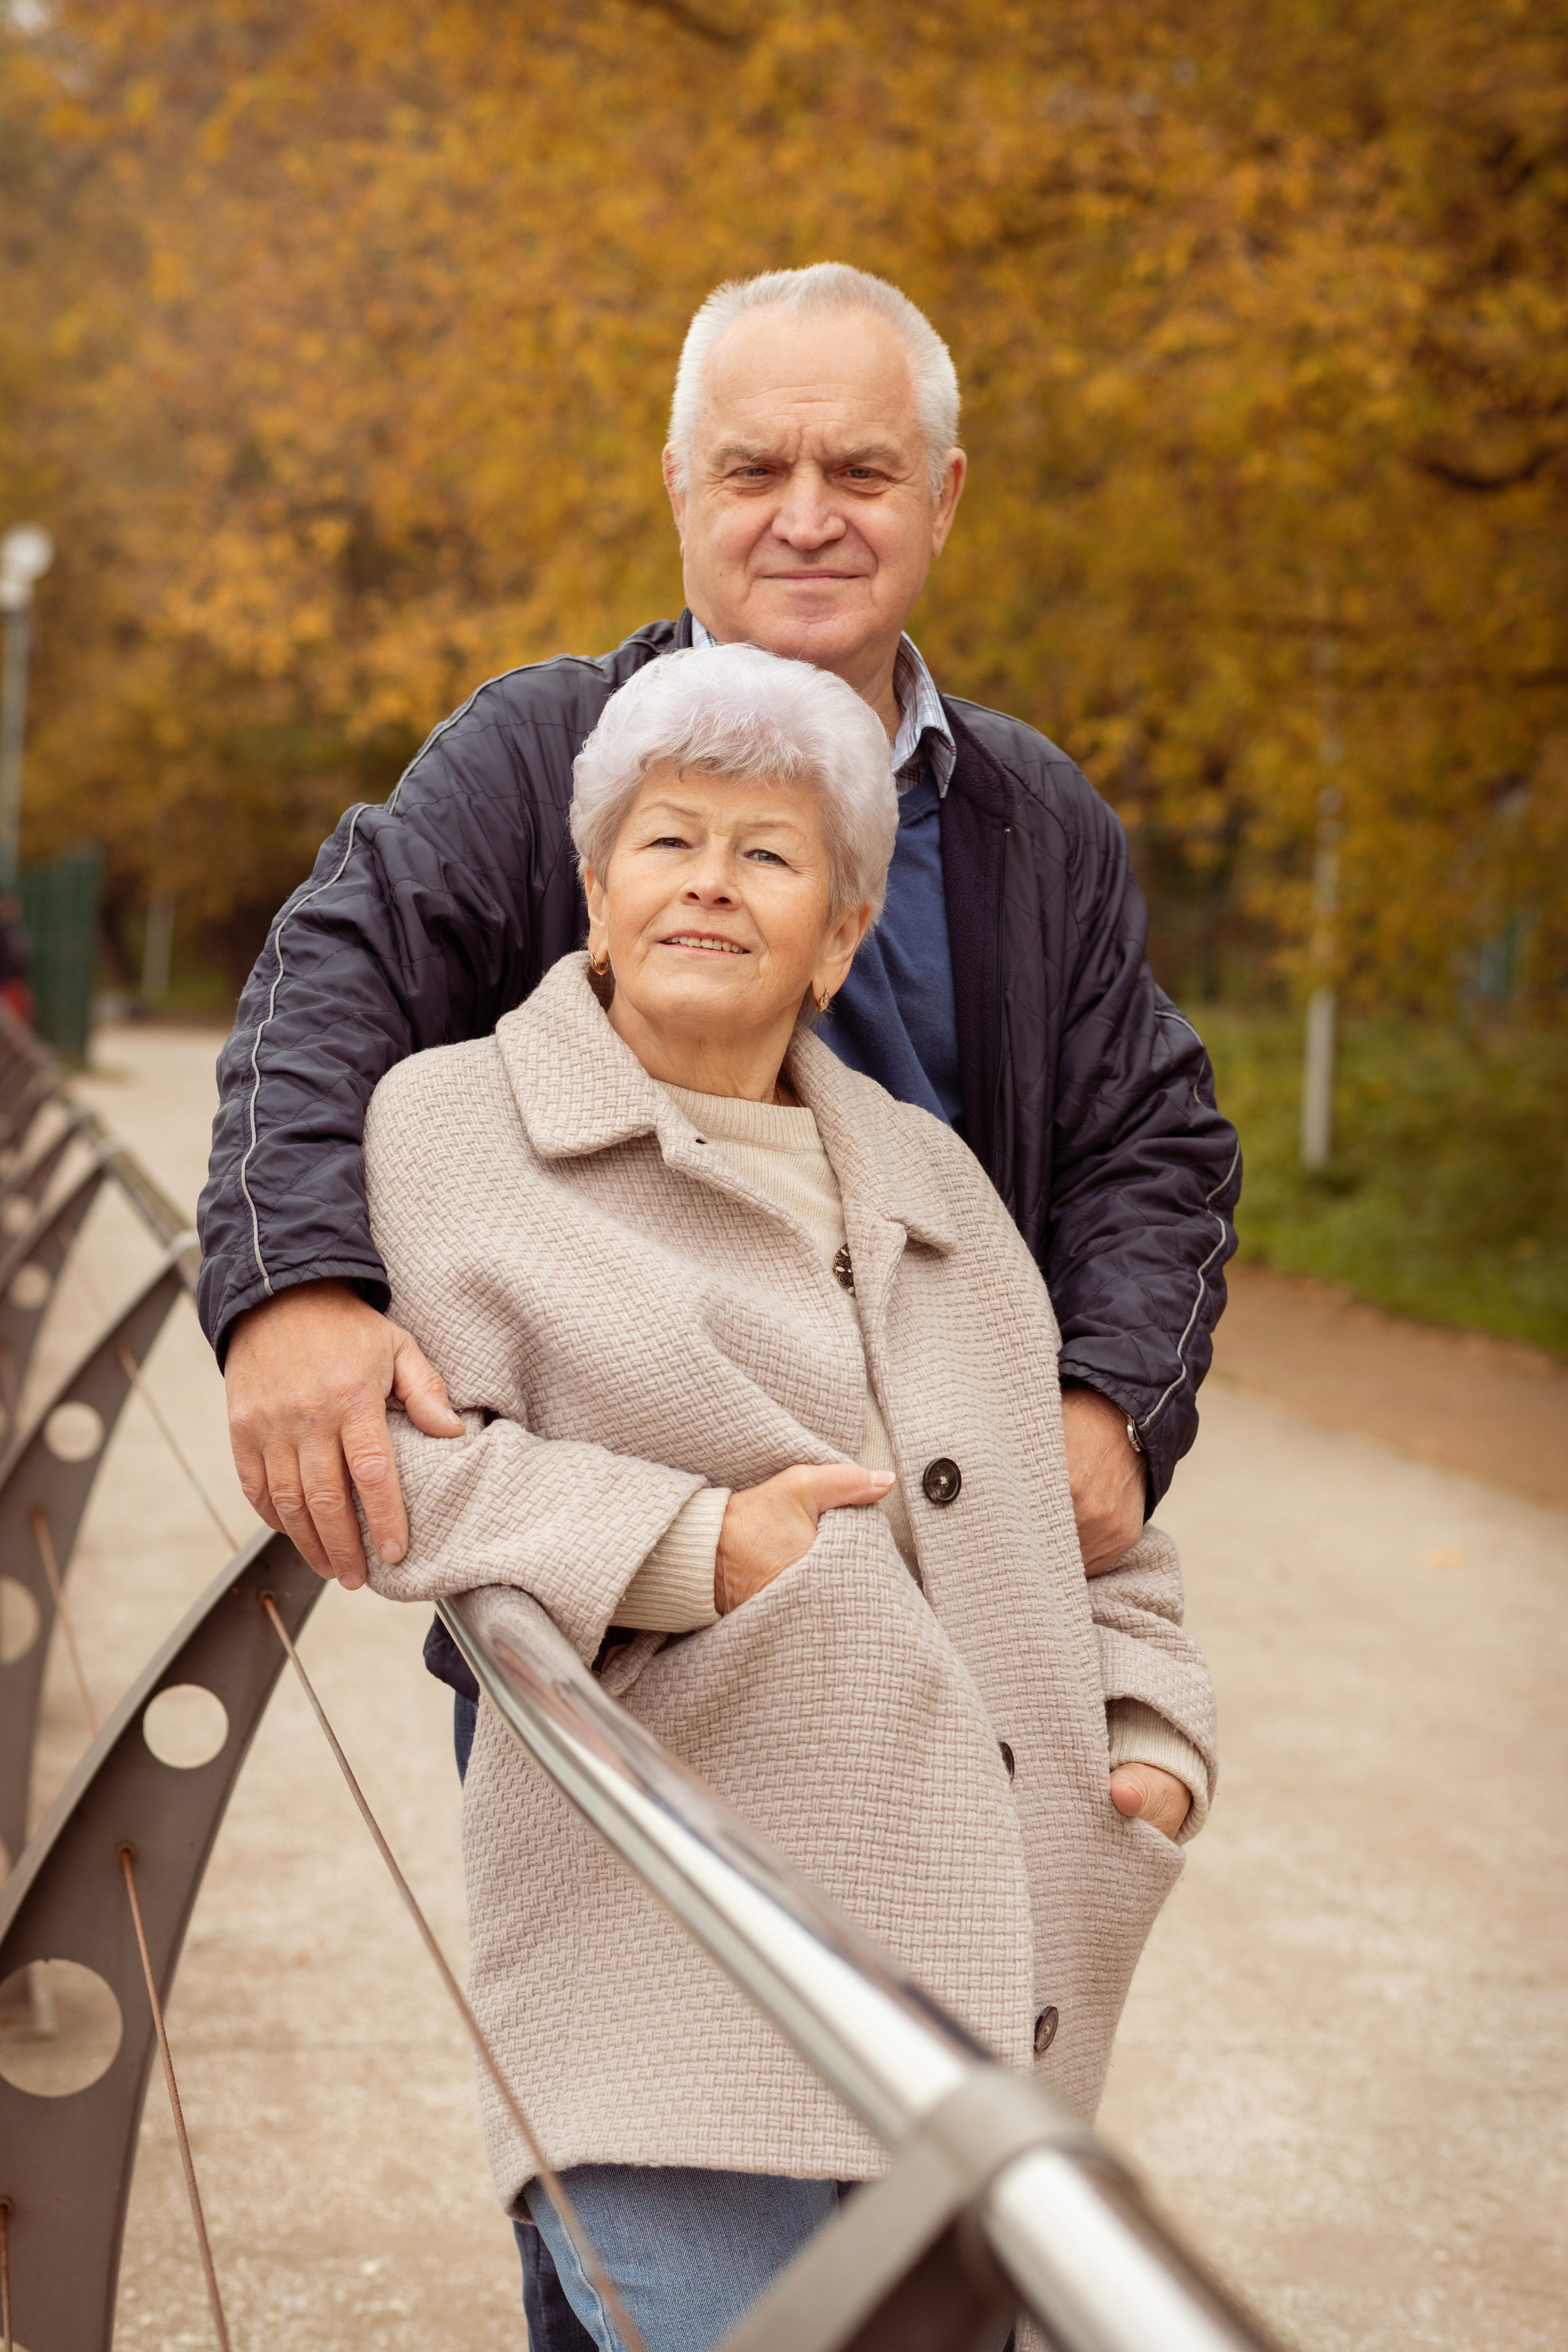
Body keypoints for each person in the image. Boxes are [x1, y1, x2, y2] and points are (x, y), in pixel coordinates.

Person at [197, 260, 1239, 2343]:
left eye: (863, 468)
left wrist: (1110, 1428)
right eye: (753, 465)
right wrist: (295, 1287)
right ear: (680, 488)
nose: (807, 512)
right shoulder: (545, 760)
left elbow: (1153, 1145)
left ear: (943, 497)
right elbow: (329, 992)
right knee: (676, 2155)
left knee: (954, 2218)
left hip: (971, 1591)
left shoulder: (1030, 818)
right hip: (661, 1585)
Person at [356, 643, 1216, 2352]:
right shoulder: (450, 1129)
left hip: (993, 1957)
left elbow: (1087, 1508)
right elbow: (405, 1473)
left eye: (771, 856)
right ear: (593, 895)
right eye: (668, 842)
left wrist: (1157, 1743)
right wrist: (693, 1545)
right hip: (672, 1948)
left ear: (837, 941)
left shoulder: (936, 1174)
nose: (710, 886)